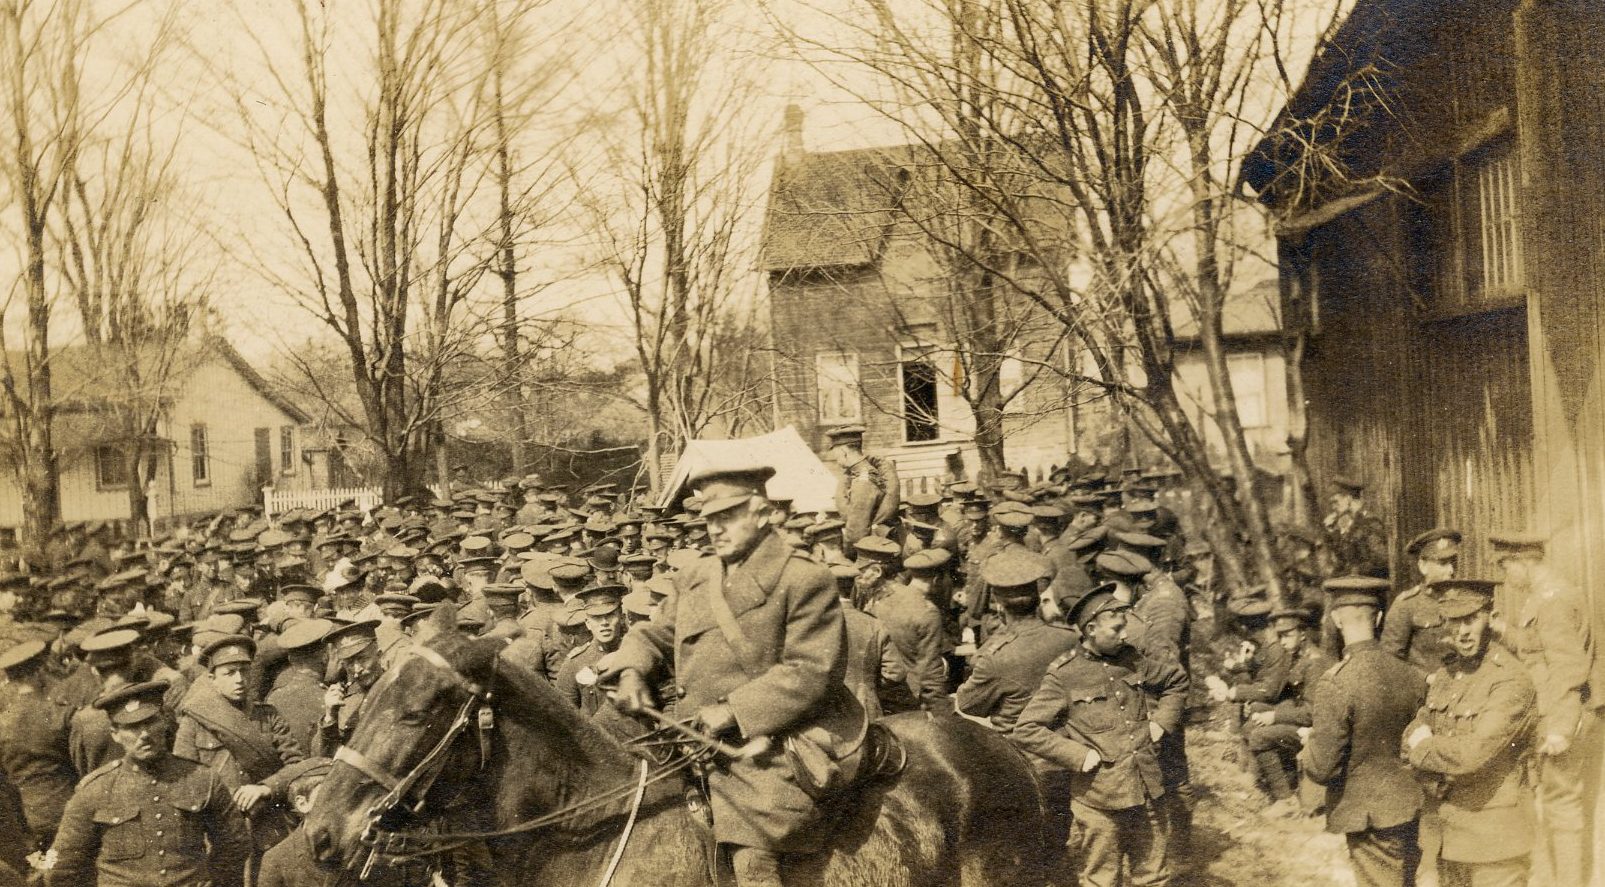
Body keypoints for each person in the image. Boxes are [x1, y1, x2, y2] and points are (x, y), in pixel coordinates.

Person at [601, 460, 867, 887]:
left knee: (752, 857)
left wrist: (730, 711)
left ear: (763, 512)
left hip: (775, 744)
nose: (715, 529)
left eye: (728, 516)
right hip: (694, 739)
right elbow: (654, 633)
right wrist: (632, 669)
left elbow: (812, 670)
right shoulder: (698, 574)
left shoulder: (803, 577)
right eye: (709, 519)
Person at [1010, 586, 1189, 887]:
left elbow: (1176, 681)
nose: (1124, 635)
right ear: (1091, 629)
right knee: (1102, 880)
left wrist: (1161, 722)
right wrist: (1078, 755)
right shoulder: (1064, 675)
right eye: (1117, 629)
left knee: (1154, 877)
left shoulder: (1133, 659)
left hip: (1146, 789)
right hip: (1099, 800)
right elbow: (1026, 729)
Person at [46, 680, 251, 887]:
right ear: (115, 734)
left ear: (164, 721)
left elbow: (235, 844)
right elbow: (62, 867)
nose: (144, 735)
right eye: (132, 727)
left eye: (150, 722)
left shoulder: (202, 779)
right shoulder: (94, 790)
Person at [1403, 578, 1538, 887]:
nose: (1462, 631)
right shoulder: (1447, 674)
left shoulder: (1510, 680)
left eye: (1471, 619)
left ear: (1489, 617)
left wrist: (1423, 750)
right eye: (1453, 621)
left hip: (1494, 844)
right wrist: (1424, 759)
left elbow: (1472, 754)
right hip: (1444, 837)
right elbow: (1413, 730)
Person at [1488, 531, 1598, 887]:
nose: (1507, 578)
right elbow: (1540, 646)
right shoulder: (1546, 596)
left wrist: (1559, 729)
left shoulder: (1553, 600)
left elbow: (1568, 667)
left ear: (1522, 563)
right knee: (1553, 807)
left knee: (1562, 809)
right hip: (1554, 714)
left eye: (1507, 568)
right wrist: (1503, 629)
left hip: (1562, 719)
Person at [1301, 576, 1427, 887]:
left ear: (1336, 620)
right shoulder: (1412, 674)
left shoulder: (1335, 682)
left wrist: (1307, 749)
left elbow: (1322, 767)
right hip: (1413, 805)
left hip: (1368, 815)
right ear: (1380, 618)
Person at [173, 634, 308, 855]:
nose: (239, 680)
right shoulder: (194, 722)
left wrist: (266, 787)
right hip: (220, 831)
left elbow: (296, 765)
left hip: (270, 827)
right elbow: (182, 780)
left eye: (244, 671)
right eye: (229, 673)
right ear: (212, 678)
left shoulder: (268, 715)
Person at [954, 549, 1077, 730]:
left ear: (998, 602)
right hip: (1066, 736)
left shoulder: (995, 658)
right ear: (1037, 598)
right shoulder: (1070, 637)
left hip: (1016, 746)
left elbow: (967, 705)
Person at [1243, 605, 1332, 811]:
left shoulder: (1315, 662)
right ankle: (1264, 781)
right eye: (1280, 636)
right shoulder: (1298, 657)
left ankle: (1285, 800)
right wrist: (1262, 710)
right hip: (1303, 720)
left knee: (1259, 737)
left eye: (1288, 635)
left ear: (1303, 634)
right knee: (1253, 723)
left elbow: (1312, 712)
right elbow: (1291, 697)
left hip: (1316, 729)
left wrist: (1275, 716)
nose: (1283, 641)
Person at [0, 640, 77, 851]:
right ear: (38, 673)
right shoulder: (59, 713)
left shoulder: (3, 722)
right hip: (67, 809)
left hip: (27, 816)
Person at [873, 548, 951, 713]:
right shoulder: (928, 612)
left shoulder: (884, 598)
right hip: (909, 701)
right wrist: (943, 714)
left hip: (880, 694)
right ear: (937, 580)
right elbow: (930, 672)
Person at [1381, 528, 1460, 675]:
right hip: (1424, 691)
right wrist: (1425, 679)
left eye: (1454, 562)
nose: (1451, 570)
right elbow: (1390, 660)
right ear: (1422, 566)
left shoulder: (1464, 600)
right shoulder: (1406, 605)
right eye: (1443, 563)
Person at [554, 584, 630, 717]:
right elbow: (563, 714)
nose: (604, 623)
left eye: (610, 615)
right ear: (588, 623)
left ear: (622, 618)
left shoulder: (638, 654)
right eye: (597, 618)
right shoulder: (575, 663)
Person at [824, 425, 900, 548]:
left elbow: (856, 533)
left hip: (869, 551)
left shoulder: (862, 482)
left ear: (844, 452)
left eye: (836, 454)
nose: (836, 460)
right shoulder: (864, 473)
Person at [1322, 476, 1388, 578]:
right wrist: (1332, 533)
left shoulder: (1370, 523)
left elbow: (1381, 561)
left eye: (1336, 502)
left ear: (1348, 498)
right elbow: (1342, 561)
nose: (1333, 507)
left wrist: (1352, 571)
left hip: (1371, 586)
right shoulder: (1349, 524)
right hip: (1353, 584)